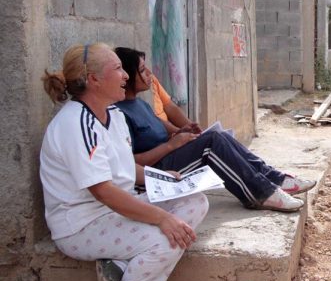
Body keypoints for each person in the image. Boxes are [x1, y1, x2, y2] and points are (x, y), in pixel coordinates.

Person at [40, 43, 209, 281]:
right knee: (169, 237)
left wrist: (163, 179)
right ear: (93, 79)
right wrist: (162, 217)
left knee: (196, 201)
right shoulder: (76, 124)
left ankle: (117, 264)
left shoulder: (113, 115)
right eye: (117, 68)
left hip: (114, 210)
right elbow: (103, 191)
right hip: (82, 225)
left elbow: (123, 169)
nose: (124, 75)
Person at [113, 47, 314, 212]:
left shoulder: (140, 105)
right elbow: (129, 165)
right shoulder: (119, 114)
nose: (149, 74)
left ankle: (274, 179)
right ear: (128, 76)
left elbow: (162, 128)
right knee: (212, 144)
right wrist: (171, 145)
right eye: (142, 70)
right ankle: (260, 194)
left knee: (217, 136)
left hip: (169, 157)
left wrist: (182, 131)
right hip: (153, 175)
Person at [150, 71, 201, 136]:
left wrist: (193, 129)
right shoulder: (138, 104)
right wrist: (179, 132)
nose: (149, 73)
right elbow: (154, 121)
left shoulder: (151, 80)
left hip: (174, 136)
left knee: (212, 135)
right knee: (213, 138)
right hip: (164, 139)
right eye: (142, 70)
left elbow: (170, 107)